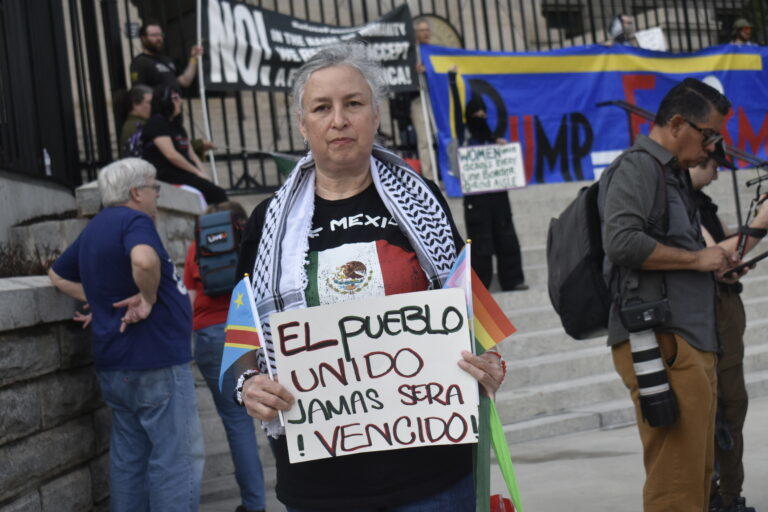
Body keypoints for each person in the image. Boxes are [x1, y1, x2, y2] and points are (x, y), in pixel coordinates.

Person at [235, 43, 506, 511]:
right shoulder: (266, 223)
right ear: (303, 125)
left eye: (353, 104)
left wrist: (489, 359)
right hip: (320, 482)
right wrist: (247, 385)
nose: (339, 120)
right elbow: (240, 334)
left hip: (434, 475)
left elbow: (464, 299)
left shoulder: (423, 202)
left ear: (376, 115)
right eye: (322, 107)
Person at [598, 78, 737, 512]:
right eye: (708, 134)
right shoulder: (638, 167)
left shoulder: (670, 176)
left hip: (687, 338)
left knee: (696, 471)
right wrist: (698, 261)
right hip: (662, 341)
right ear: (678, 123)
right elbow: (620, 241)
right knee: (676, 481)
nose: (713, 146)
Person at [47, 158, 204, 511]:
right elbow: (145, 261)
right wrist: (147, 298)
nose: (156, 197)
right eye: (154, 189)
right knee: (176, 459)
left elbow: (56, 275)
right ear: (136, 192)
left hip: (115, 364)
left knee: (129, 459)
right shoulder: (135, 220)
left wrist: (99, 300)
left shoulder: (96, 227)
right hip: (156, 360)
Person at [689, 158, 766, 512]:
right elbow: (717, 257)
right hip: (703, 322)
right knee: (711, 411)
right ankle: (710, 496)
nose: (719, 171)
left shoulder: (701, 203)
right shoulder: (678, 203)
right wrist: (762, 222)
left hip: (723, 315)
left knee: (733, 406)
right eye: (711, 162)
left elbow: (725, 260)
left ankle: (729, 496)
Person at [183, 201, 266, 512]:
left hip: (210, 336)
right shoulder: (253, 236)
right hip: (252, 331)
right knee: (275, 413)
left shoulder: (196, 247)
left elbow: (190, 298)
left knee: (236, 423)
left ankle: (254, 505)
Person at [448, 68, 527, 291]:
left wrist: (501, 148)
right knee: (480, 239)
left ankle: (513, 279)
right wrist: (452, 83)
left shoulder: (492, 138)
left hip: (498, 194)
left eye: (483, 113)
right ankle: (481, 284)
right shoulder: (464, 137)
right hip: (476, 198)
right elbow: (454, 113)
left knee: (506, 235)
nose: (481, 117)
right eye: (477, 113)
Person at [141, 84, 228, 205]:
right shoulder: (157, 123)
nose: (180, 101)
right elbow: (171, 155)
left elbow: (191, 154)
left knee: (216, 191)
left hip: (185, 173)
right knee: (217, 195)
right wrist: (196, 172)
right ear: (164, 101)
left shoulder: (177, 126)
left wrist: (203, 174)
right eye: (175, 98)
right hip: (168, 175)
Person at [130, 20, 203, 89]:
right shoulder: (139, 63)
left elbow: (185, 81)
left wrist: (193, 58)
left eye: (160, 34)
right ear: (143, 38)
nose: (159, 38)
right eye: (154, 35)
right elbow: (139, 93)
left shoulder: (167, 60)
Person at [411, 17, 434, 177]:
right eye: (422, 30)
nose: (426, 33)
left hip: (436, 99)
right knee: (425, 140)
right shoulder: (412, 54)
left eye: (427, 29)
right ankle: (430, 175)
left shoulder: (434, 51)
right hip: (419, 99)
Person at [117, 84, 153, 157]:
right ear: (135, 104)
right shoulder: (136, 126)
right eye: (149, 102)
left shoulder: (137, 123)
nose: (153, 106)